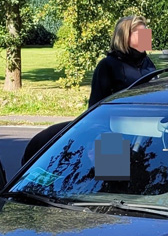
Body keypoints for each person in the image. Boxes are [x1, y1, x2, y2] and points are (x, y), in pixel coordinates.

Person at [21, 16, 154, 165]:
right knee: (113, 182)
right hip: (113, 135)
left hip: (145, 136)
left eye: (146, 32)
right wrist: (104, 142)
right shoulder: (108, 65)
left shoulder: (148, 63)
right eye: (140, 33)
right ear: (125, 36)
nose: (146, 36)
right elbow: (96, 107)